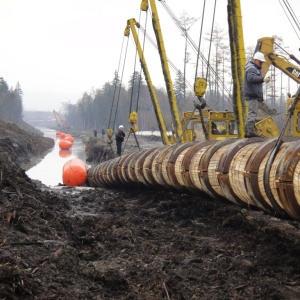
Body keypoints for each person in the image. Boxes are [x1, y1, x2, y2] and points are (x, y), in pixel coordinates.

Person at [243, 51, 276, 138]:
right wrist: (263, 79)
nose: (261, 64)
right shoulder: (252, 69)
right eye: (260, 62)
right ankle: (250, 132)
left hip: (254, 95)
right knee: (252, 113)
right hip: (252, 95)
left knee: (252, 113)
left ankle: (248, 131)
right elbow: (251, 78)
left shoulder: (254, 68)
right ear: (255, 60)